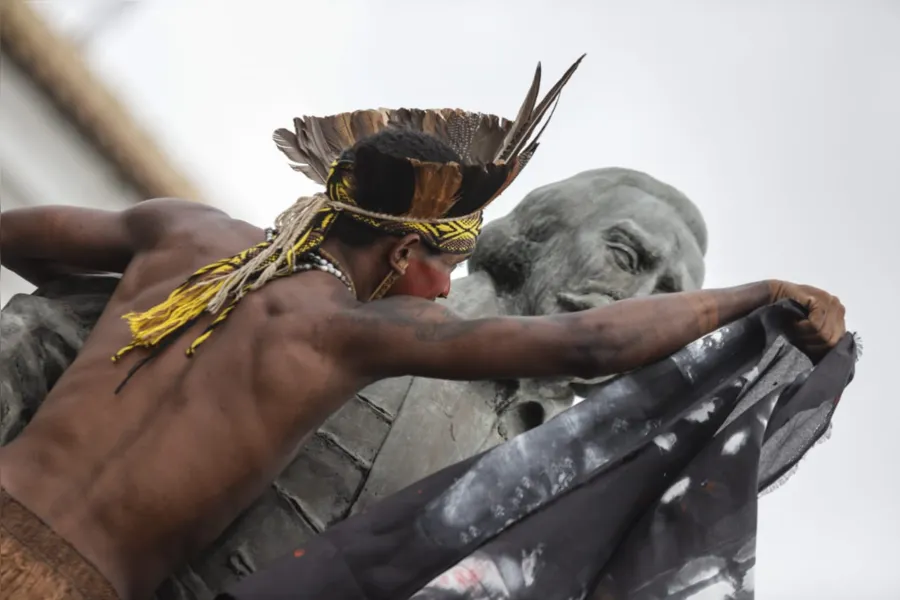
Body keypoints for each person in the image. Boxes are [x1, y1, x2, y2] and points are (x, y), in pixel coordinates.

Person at [0, 55, 845, 600]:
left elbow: (33, 247)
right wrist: (752, 296)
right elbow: (44, 336)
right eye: (629, 258)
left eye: (671, 288)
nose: (645, 299)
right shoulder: (362, 337)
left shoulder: (191, 242)